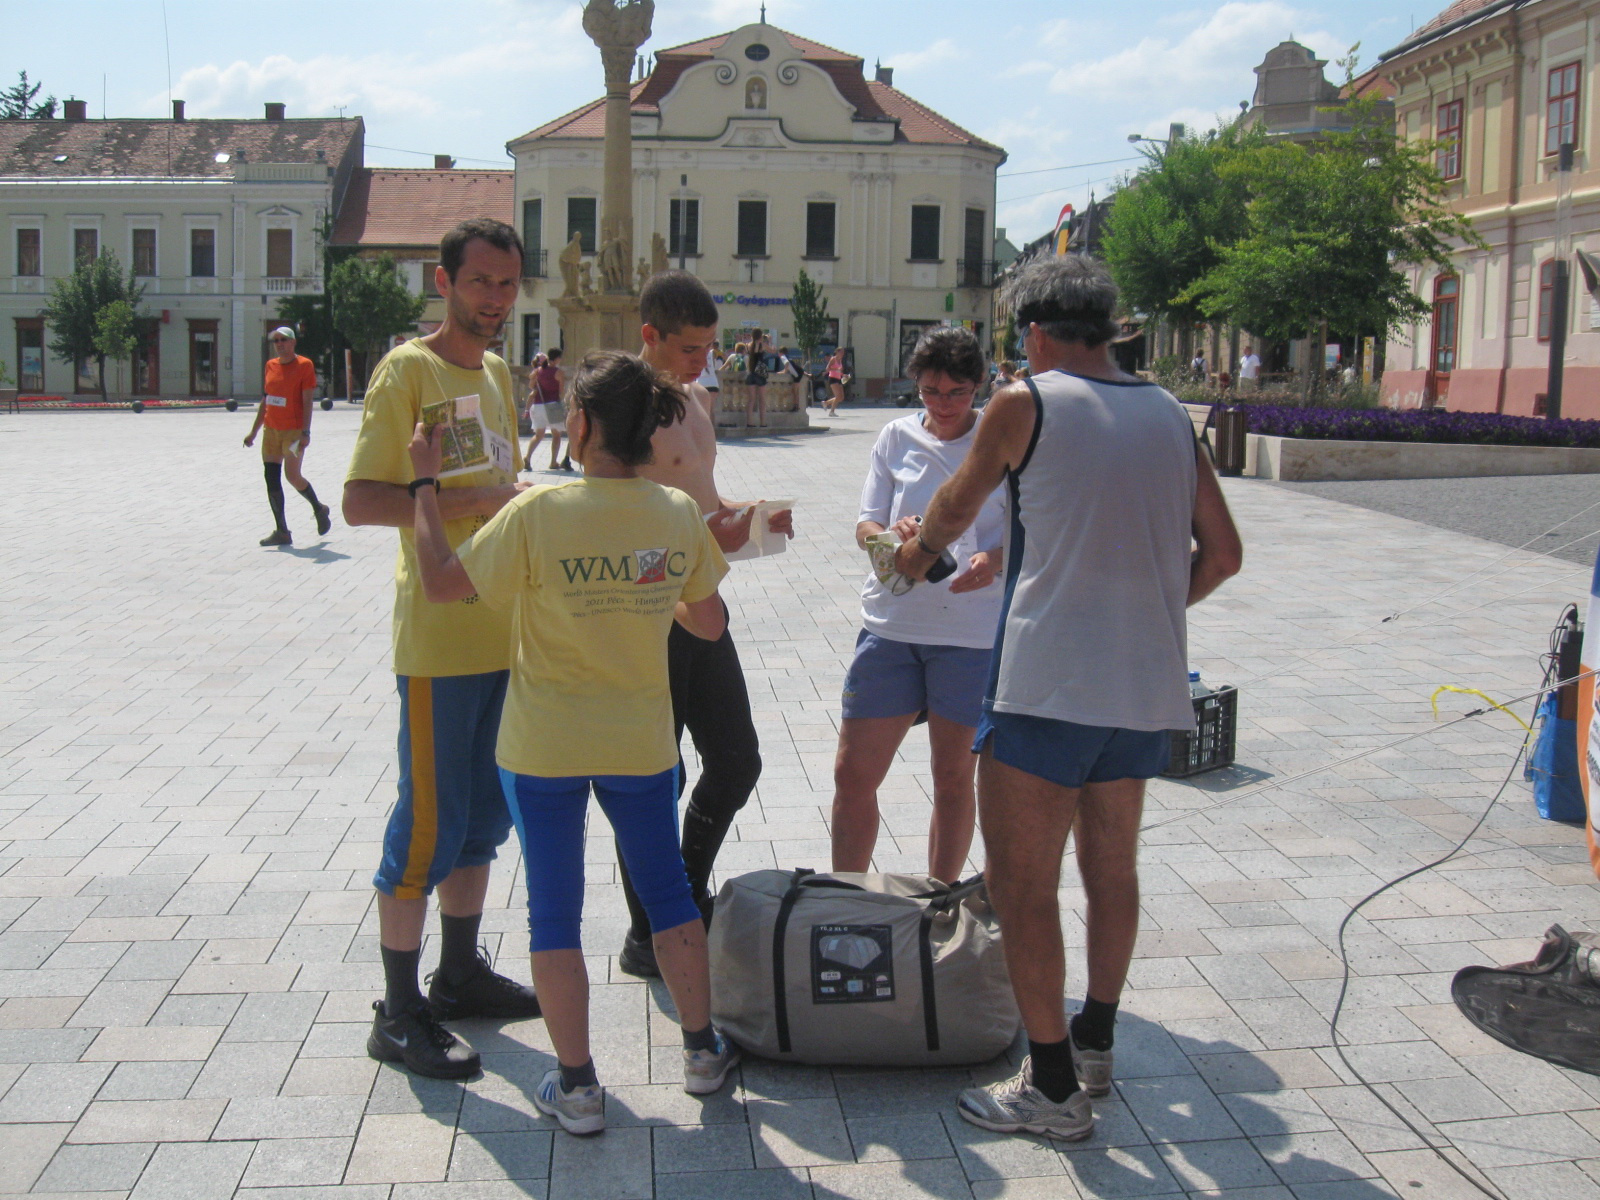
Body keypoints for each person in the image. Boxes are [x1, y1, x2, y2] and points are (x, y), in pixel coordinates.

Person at [895, 256, 1241, 1141]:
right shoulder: (1169, 410)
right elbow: (1224, 552)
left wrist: (914, 552)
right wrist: (1152, 613)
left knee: (1022, 882)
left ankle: (1050, 1087)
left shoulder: (1026, 401)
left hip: (1045, 684)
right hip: (1142, 685)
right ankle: (1095, 1039)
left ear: (1038, 331)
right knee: (1112, 866)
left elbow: (954, 506)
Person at [405, 350, 740, 1135]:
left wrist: (424, 488)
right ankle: (700, 1052)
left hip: (543, 744)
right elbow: (710, 622)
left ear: (579, 425)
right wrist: (650, 592)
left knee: (553, 914)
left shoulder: (535, 512)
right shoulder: (672, 512)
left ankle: (579, 1087)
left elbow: (444, 584)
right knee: (669, 895)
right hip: (638, 741)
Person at [343, 217, 542, 1081]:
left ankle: (457, 972)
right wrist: (472, 501)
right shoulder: (406, 371)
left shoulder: (498, 372)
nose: (495, 301)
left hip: (502, 632)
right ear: (444, 281)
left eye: (507, 285)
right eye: (480, 283)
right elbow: (359, 501)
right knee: (426, 823)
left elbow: (492, 486)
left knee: (481, 822)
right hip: (438, 640)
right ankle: (397, 1009)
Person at [614, 270, 794, 979]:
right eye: (690, 349)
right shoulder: (623, 407)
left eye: (710, 348)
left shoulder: (692, 401)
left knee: (737, 760)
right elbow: (618, 514)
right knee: (653, 776)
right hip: (643, 612)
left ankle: (678, 899)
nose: (703, 362)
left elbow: (700, 501)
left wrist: (750, 520)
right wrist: (707, 531)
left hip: (701, 601)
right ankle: (649, 930)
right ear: (650, 336)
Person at [831, 326, 1006, 884]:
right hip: (893, 625)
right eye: (931, 391)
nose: (944, 404)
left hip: (970, 633)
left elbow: (1040, 528)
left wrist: (995, 560)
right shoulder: (895, 437)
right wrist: (893, 534)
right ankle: (847, 898)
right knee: (853, 774)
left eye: (957, 392)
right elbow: (864, 524)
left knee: (953, 777)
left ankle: (939, 898)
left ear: (979, 386)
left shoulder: (1002, 443)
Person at [243, 326, 332, 547]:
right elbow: (267, 400)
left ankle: (319, 508)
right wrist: (253, 431)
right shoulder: (270, 366)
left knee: (292, 476)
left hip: (293, 433)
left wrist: (306, 432)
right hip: (271, 432)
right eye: (276, 341)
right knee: (271, 478)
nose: (280, 344)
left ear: (293, 343)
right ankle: (282, 531)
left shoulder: (304, 365)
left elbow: (307, 401)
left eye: (284, 340)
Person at [525, 347, 571, 472]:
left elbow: (531, 386)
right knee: (557, 435)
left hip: (538, 405)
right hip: (553, 405)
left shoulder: (538, 371)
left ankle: (528, 457)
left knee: (539, 435)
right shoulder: (558, 372)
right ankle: (553, 462)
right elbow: (561, 391)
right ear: (557, 358)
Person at [744, 328, 770, 429]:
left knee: (751, 400)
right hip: (760, 375)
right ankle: (763, 423)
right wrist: (769, 340)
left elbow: (752, 354)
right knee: (762, 400)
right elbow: (773, 350)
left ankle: (749, 422)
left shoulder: (748, 345)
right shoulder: (762, 345)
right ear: (760, 336)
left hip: (751, 374)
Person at [824, 347, 847, 416]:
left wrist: (843, 375)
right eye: (841, 352)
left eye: (843, 352)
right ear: (837, 352)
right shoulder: (833, 359)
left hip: (839, 378)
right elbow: (827, 368)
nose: (843, 354)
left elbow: (839, 371)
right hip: (832, 378)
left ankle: (826, 403)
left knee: (841, 398)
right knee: (837, 396)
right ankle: (831, 411)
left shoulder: (840, 360)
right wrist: (835, 369)